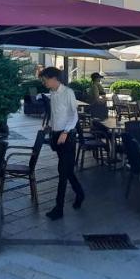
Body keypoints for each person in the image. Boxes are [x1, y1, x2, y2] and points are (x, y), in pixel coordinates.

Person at [39, 66, 83, 220]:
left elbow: (74, 116)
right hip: (56, 135)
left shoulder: (68, 93)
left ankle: (59, 208)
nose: (44, 83)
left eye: (45, 80)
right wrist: (50, 126)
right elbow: (55, 114)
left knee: (63, 173)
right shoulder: (52, 93)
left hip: (67, 137)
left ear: (53, 78)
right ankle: (80, 194)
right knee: (67, 170)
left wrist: (65, 132)